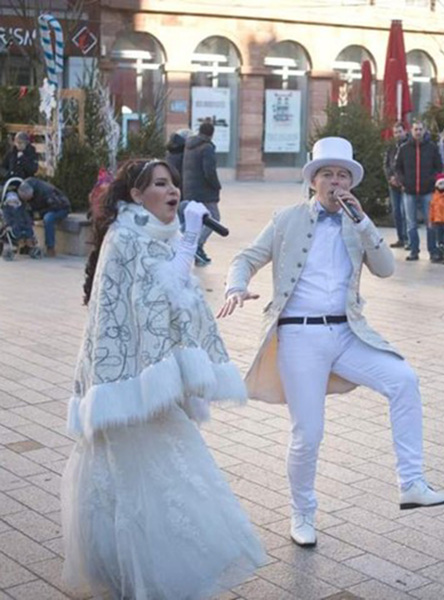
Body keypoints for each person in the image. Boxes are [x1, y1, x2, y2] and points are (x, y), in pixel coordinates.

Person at [218, 137, 444, 548]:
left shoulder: (356, 223)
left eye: (342, 174)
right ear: (313, 181)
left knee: (403, 379)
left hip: (348, 334)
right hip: (299, 335)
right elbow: (246, 258)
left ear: (351, 181)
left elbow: (385, 270)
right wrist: (236, 286)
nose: (335, 181)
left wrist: (365, 223)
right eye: (327, 174)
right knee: (308, 433)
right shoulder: (286, 218)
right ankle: (303, 511)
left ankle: (412, 483)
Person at [61, 159, 265, 599]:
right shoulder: (127, 237)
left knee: (151, 479)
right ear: (136, 195)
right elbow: (158, 297)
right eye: (159, 184)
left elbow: (175, 307)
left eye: (173, 183)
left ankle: (131, 575)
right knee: (142, 482)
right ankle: (139, 576)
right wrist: (190, 239)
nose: (172, 190)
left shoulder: (152, 236)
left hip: (146, 389)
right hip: (128, 389)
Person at [395, 121, 443, 262]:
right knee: (411, 223)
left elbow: (438, 167)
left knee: (430, 222)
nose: (418, 132)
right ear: (411, 130)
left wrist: (432, 180)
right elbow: (398, 168)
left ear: (424, 130)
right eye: (416, 129)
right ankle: (414, 251)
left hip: (427, 191)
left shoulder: (432, 148)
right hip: (409, 191)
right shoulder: (404, 149)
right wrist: (403, 181)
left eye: (420, 129)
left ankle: (432, 251)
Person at [182, 120, 222, 266]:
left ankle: (191, 248)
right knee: (214, 218)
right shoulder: (207, 148)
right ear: (211, 134)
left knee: (195, 219)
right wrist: (216, 186)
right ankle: (197, 246)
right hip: (204, 191)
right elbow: (209, 172)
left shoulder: (189, 146)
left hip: (190, 188)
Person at [17, 178, 70, 257]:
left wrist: (39, 214)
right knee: (25, 216)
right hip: (44, 208)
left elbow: (56, 206)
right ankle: (27, 242)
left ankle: (50, 248)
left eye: (28, 199)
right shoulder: (26, 187)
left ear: (32, 194)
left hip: (60, 207)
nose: (27, 201)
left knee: (48, 218)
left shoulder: (46, 191)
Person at [384, 121, 408, 249]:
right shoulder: (392, 147)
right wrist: (390, 177)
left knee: (406, 212)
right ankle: (400, 238)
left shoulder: (409, 146)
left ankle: (407, 238)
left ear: (405, 131)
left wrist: (402, 180)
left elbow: (409, 166)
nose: (398, 134)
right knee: (396, 212)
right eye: (395, 132)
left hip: (405, 184)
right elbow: (386, 164)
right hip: (393, 184)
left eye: (400, 131)